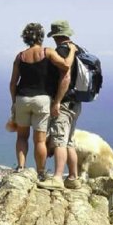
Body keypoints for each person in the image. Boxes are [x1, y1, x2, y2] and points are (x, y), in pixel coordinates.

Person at [9, 22, 76, 180]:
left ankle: (21, 167)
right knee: (39, 141)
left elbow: (12, 83)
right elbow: (66, 65)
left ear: (25, 38)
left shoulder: (20, 56)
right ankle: (41, 172)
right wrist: (72, 50)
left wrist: (14, 102)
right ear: (41, 37)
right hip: (42, 100)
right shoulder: (48, 52)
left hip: (22, 98)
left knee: (21, 137)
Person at [37, 20, 83, 190]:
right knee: (69, 141)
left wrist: (56, 101)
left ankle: (57, 178)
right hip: (75, 102)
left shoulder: (62, 51)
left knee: (59, 141)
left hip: (63, 103)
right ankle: (73, 178)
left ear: (56, 36)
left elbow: (65, 77)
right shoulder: (78, 50)